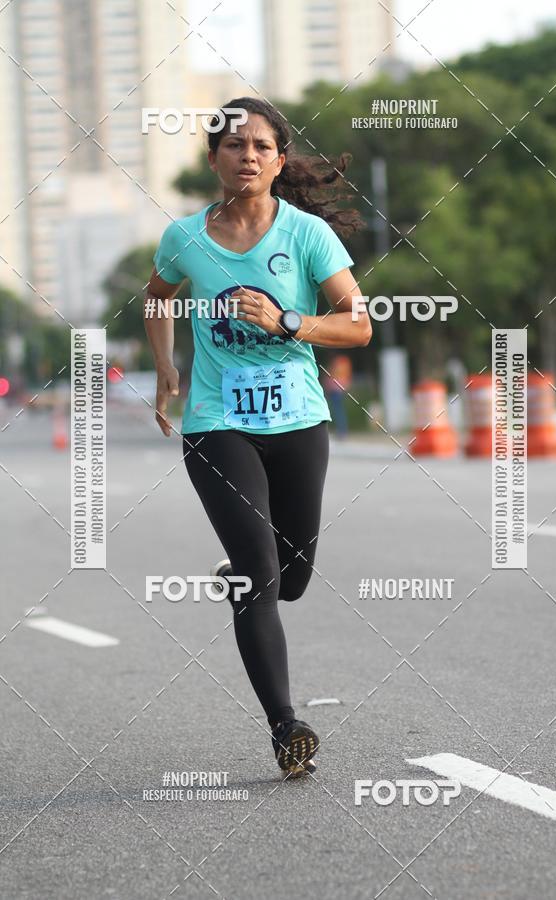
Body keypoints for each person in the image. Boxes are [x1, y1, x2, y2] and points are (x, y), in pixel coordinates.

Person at [144, 97, 372, 778]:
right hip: (218, 424)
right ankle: (285, 726)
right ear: (213, 157)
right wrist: (166, 365)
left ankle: (255, 572)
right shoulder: (185, 236)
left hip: (299, 420)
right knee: (258, 579)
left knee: (292, 579)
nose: (248, 156)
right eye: (235, 145)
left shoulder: (305, 235)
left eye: (262, 147)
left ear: (278, 160)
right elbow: (157, 297)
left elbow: (357, 325)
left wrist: (286, 321)